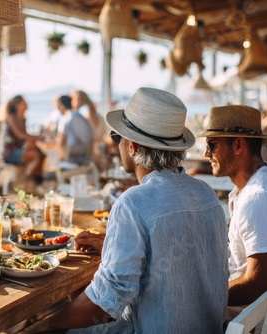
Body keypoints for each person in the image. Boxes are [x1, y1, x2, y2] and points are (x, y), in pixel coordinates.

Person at [43, 87, 229, 333]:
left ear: (132, 146)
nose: (116, 143)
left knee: (58, 325)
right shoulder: (206, 194)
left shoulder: (132, 203)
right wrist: (112, 243)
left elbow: (104, 304)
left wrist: (46, 324)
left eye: (115, 137)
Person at [197, 105, 267, 310]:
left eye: (212, 145)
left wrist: (202, 301)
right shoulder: (263, 181)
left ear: (238, 145)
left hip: (247, 318)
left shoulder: (260, 198)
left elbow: (257, 285)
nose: (206, 153)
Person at [2, 95, 46, 184]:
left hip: (18, 149)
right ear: (18, 106)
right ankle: (25, 180)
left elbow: (24, 138)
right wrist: (38, 138)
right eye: (24, 103)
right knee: (36, 156)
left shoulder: (22, 119)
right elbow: (21, 136)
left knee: (41, 154)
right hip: (10, 153)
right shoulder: (12, 118)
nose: (26, 104)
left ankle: (36, 179)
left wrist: (36, 139)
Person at [55, 95, 94, 165]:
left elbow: (60, 142)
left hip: (72, 157)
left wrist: (60, 159)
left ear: (61, 106)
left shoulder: (65, 119)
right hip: (86, 155)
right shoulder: (80, 116)